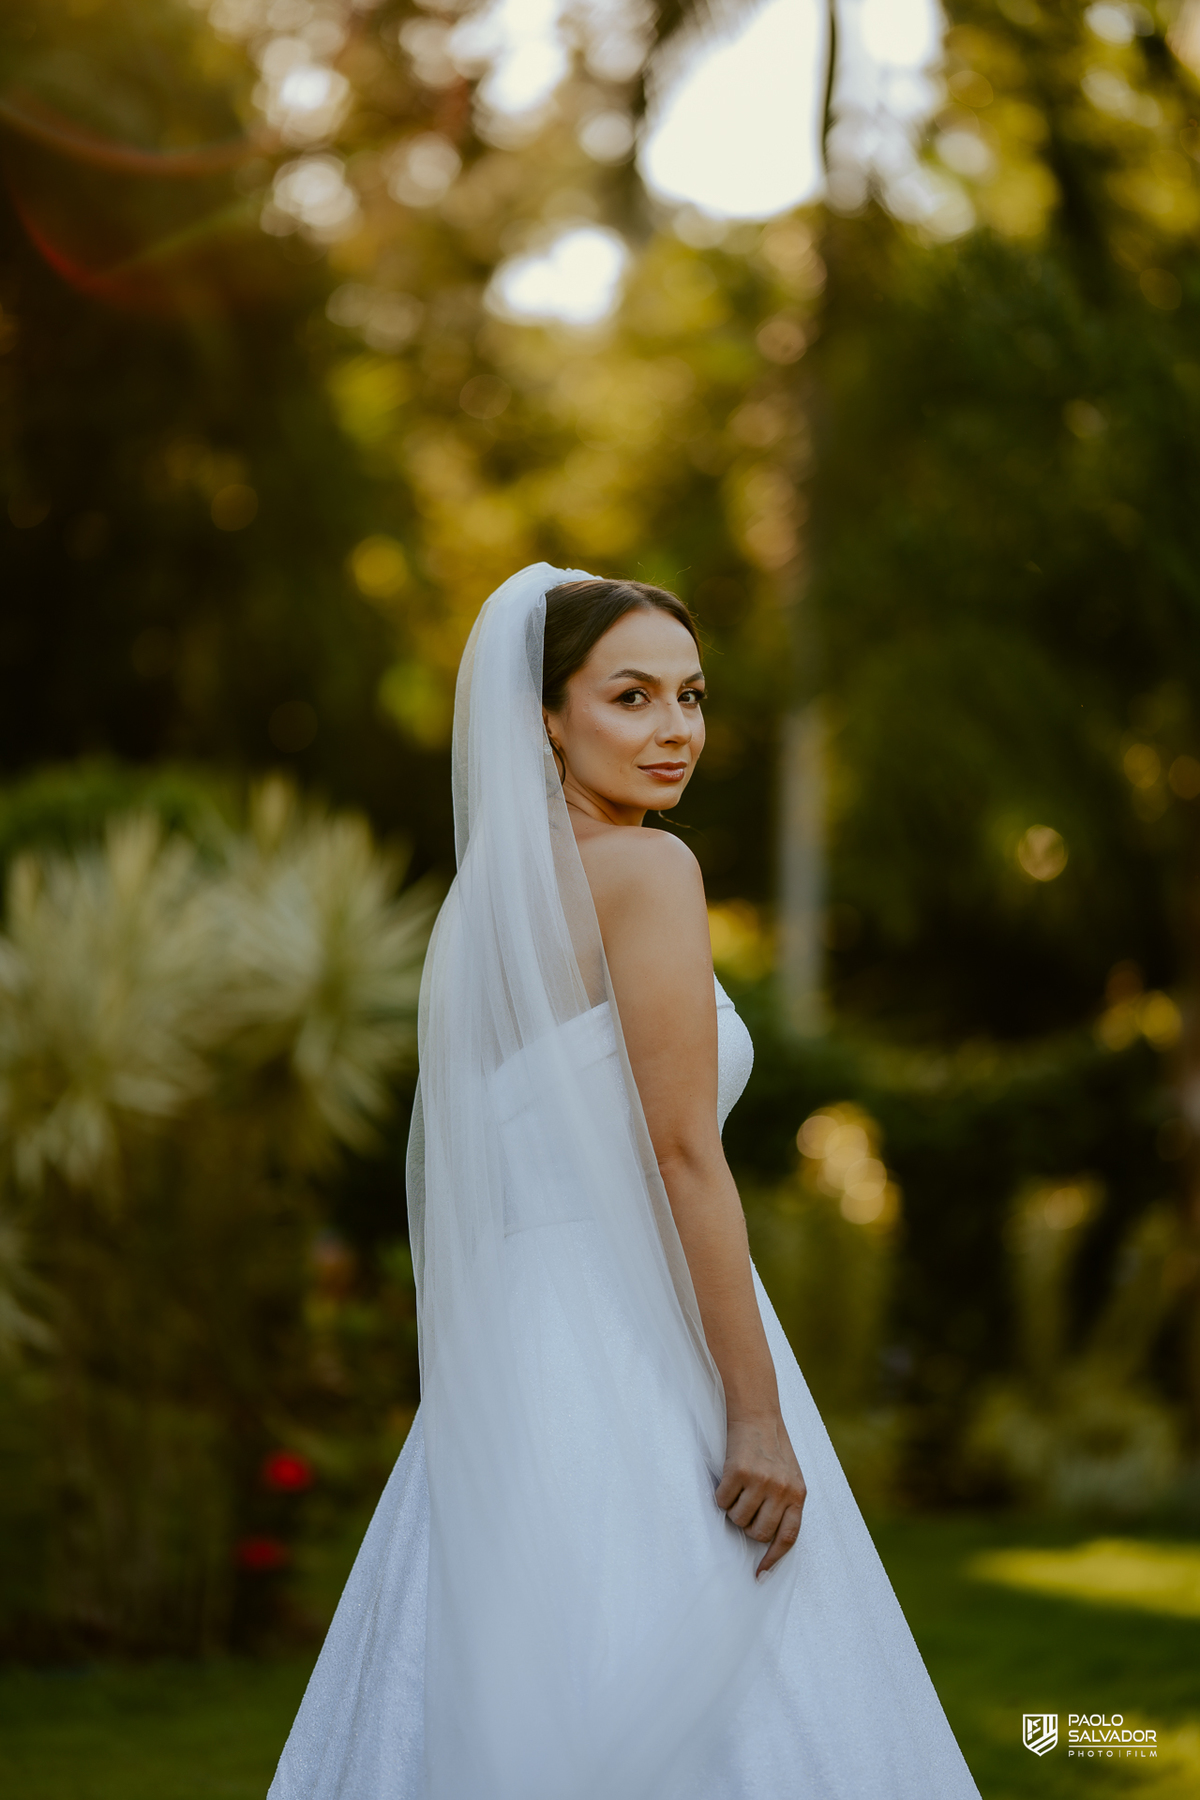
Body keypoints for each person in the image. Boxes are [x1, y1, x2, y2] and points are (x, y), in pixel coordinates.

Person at [268, 565, 981, 1800]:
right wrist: (753, 1412)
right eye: (633, 695)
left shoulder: (486, 901)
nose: (676, 730)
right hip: (642, 1341)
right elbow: (681, 1152)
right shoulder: (651, 872)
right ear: (549, 715)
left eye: (692, 697)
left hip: (513, 1365)